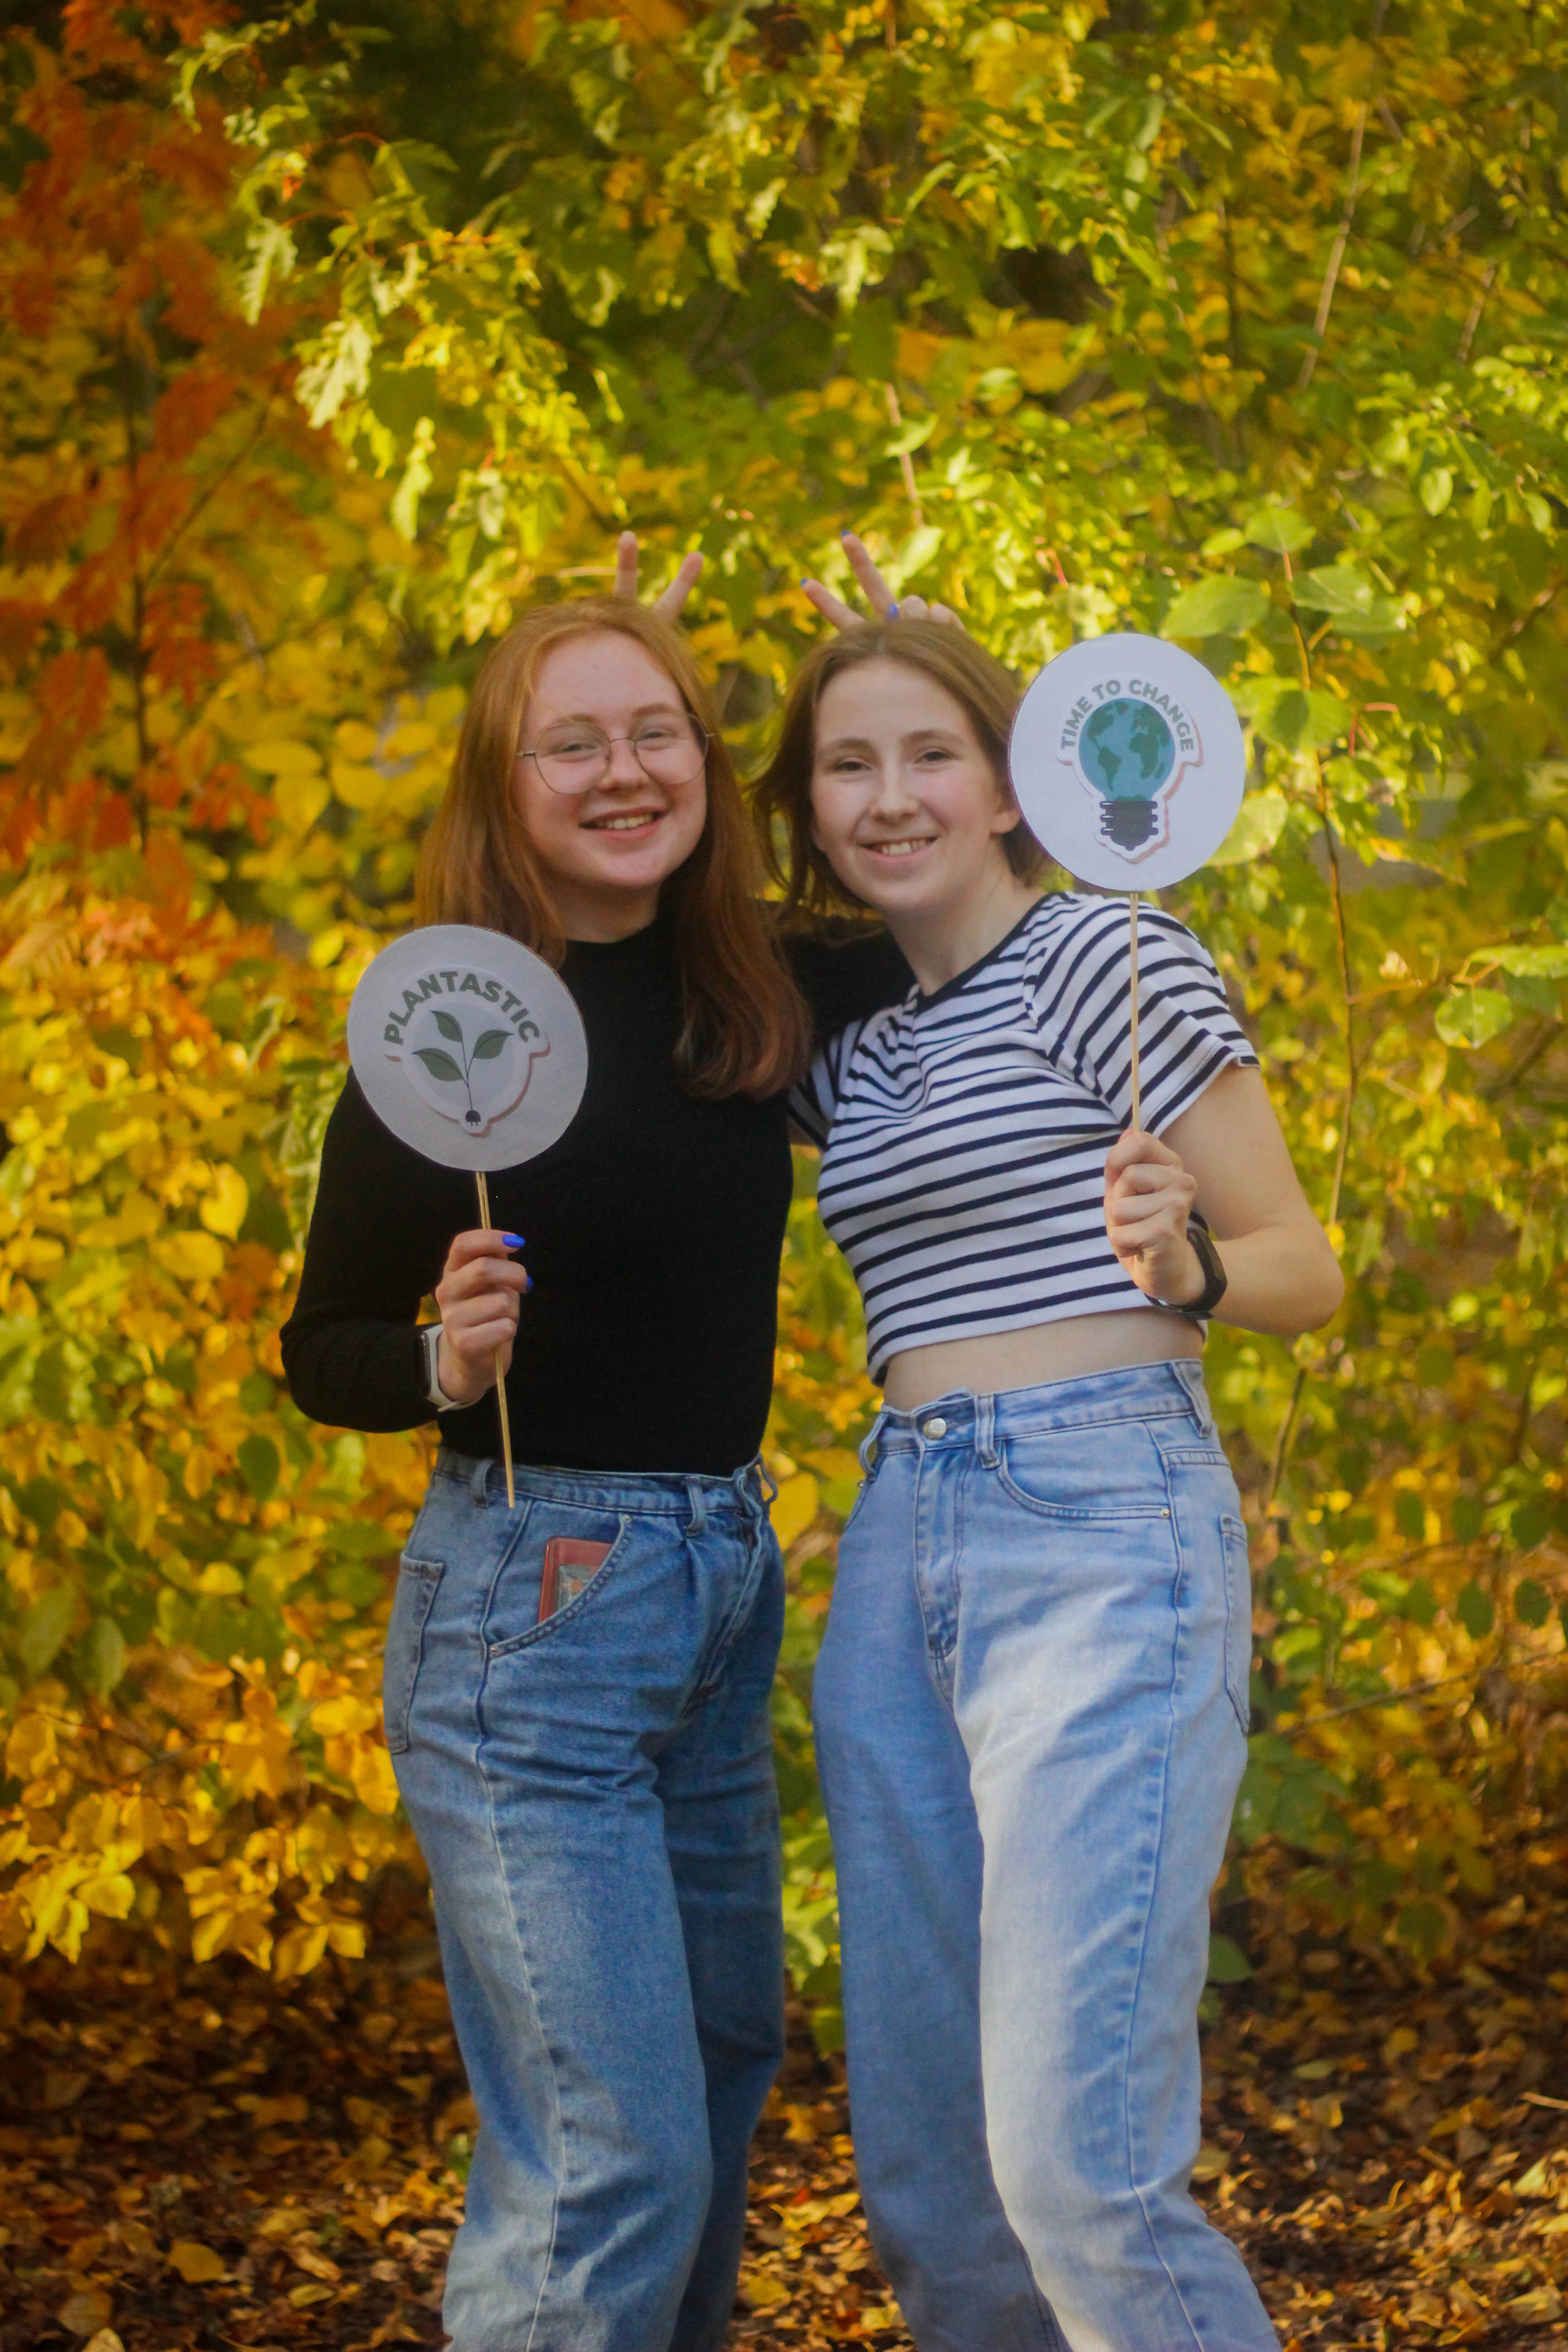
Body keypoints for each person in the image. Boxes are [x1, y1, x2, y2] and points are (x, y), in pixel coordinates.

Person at [281, 543, 908, 2352]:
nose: (627, 773)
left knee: (717, 2061)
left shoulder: (758, 986)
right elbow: (323, 1348)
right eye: (574, 744)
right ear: (504, 786)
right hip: (526, 1611)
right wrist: (437, 1362)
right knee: (608, 2149)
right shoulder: (449, 1036)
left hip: (717, 1584)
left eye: (662, 735)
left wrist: (896, 652)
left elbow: (964, 862)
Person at [756, 557, 1343, 2352]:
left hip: (1101, 1529)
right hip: (900, 1549)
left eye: (928, 751)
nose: (889, 799)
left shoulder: (1112, 952)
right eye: (846, 768)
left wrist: (1191, 1266)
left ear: (1009, 779)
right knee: (939, 2189)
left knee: (1076, 2164)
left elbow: (1308, 1274)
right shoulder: (847, 1044)